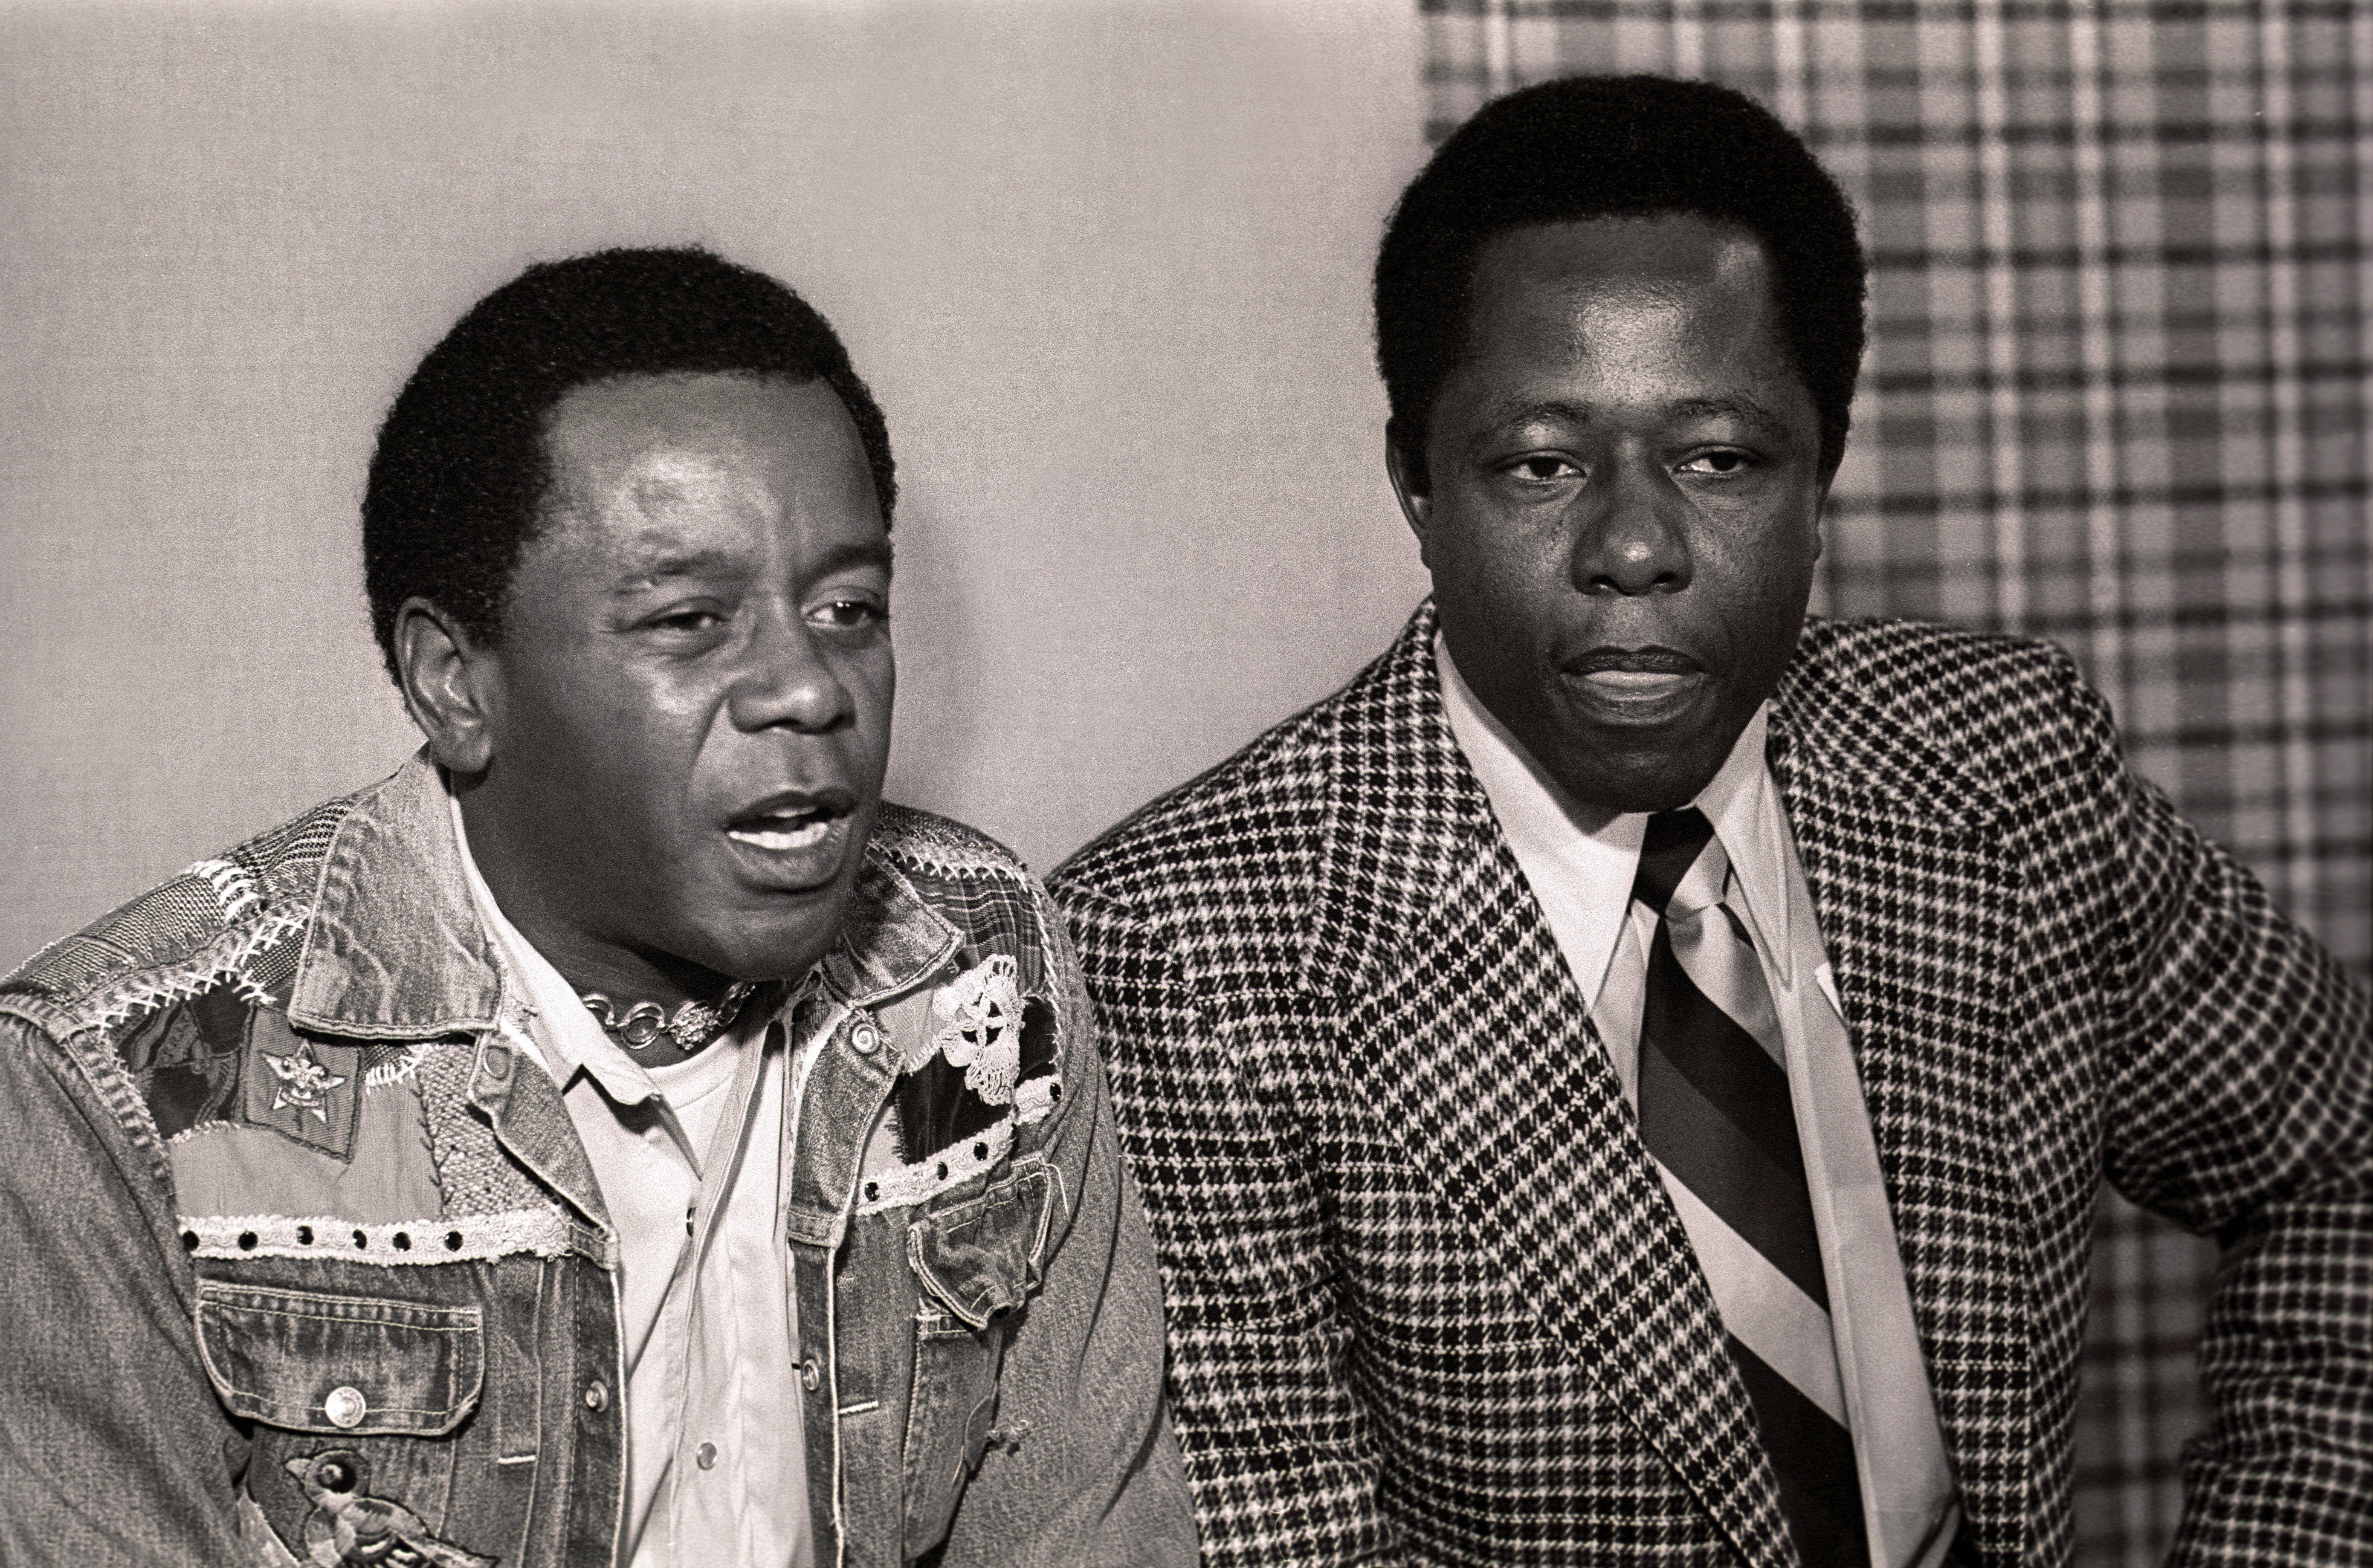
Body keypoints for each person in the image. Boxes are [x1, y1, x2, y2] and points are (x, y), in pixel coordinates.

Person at [1049, 75, 2373, 1568]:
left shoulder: (2002, 770)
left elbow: (2337, 1154)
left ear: (1824, 479)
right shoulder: (1185, 955)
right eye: (1541, 463)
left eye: (1722, 459)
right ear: (1416, 483)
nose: (1633, 546)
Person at [0, 247, 1194, 1568]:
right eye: (689, 620)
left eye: (848, 606)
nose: (809, 687)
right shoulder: (113, 1091)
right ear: (455, 684)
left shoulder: (979, 975)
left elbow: (1084, 1531)